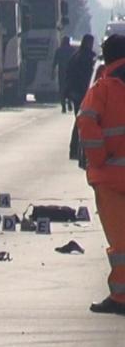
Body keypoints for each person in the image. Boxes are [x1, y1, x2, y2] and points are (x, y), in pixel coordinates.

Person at [77, 34, 125, 314]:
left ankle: (120, 297)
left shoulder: (103, 89)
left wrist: (98, 158)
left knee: (120, 243)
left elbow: (86, 120)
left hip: (110, 179)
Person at [65, 34, 96, 159]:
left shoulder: (75, 57)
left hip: (78, 94)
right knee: (83, 123)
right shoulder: (89, 58)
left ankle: (74, 149)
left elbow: (68, 76)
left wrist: (68, 94)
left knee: (80, 122)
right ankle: (79, 150)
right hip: (84, 94)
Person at [52, 35, 75, 113]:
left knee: (62, 90)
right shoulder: (72, 50)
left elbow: (55, 62)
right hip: (71, 73)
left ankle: (63, 106)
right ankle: (69, 102)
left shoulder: (59, 50)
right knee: (70, 88)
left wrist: (52, 72)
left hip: (62, 73)